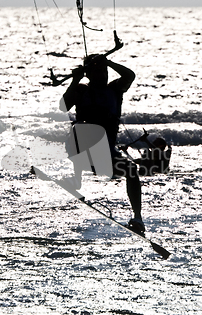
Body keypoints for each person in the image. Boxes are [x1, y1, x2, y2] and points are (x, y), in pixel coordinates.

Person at [59, 54, 145, 234]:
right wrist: (75, 80)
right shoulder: (81, 90)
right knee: (81, 128)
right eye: (97, 71)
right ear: (89, 74)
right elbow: (63, 106)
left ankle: (137, 218)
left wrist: (110, 62)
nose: (102, 75)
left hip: (105, 153)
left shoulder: (115, 89)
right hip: (81, 150)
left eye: (104, 71)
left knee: (131, 170)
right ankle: (76, 179)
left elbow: (130, 76)